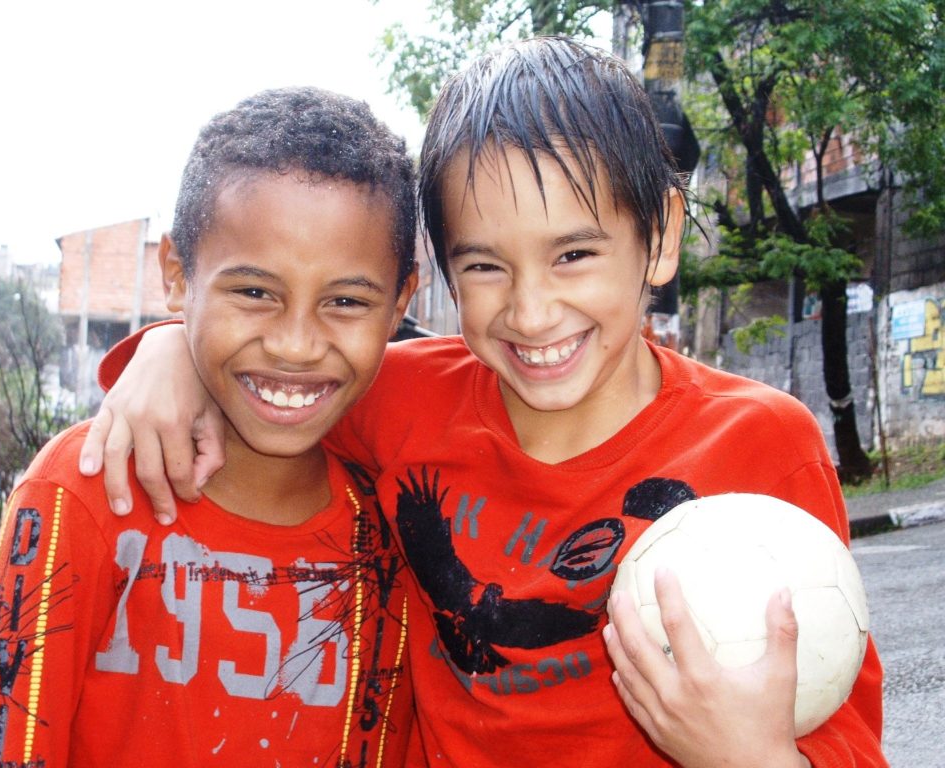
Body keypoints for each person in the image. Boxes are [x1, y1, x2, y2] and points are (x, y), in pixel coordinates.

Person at [79, 38, 887, 768]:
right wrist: (165, 350)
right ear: (441, 270)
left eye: (573, 254)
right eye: (485, 267)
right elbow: (280, 375)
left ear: (662, 235)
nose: (531, 312)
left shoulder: (760, 445)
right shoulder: (406, 401)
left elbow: (844, 726)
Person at [0, 87, 419, 768]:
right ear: (175, 275)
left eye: (345, 301)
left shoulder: (394, 540)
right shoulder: (87, 488)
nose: (296, 345)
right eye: (254, 292)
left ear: (401, 299)